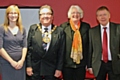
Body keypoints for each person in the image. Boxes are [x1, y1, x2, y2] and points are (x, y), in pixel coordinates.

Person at [26, 5, 65, 80]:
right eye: (43, 14)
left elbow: (61, 52)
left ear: (52, 16)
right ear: (39, 17)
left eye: (48, 14)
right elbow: (29, 50)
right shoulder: (33, 29)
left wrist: (59, 68)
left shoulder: (59, 31)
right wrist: (29, 66)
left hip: (52, 68)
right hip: (35, 68)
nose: (45, 16)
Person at [88, 6, 120, 80]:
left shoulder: (118, 28)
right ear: (97, 18)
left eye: (104, 14)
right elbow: (90, 49)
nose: (102, 17)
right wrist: (89, 66)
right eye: (100, 15)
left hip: (115, 64)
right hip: (99, 64)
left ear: (109, 16)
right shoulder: (92, 31)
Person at [60, 5, 90, 80]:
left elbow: (89, 46)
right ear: (69, 15)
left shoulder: (86, 27)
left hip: (81, 63)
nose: (75, 15)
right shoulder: (63, 27)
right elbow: (60, 46)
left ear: (81, 15)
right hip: (67, 64)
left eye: (78, 13)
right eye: (73, 13)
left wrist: (88, 64)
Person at [0, 5, 27, 80]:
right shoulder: (2, 29)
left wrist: (22, 60)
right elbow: (0, 48)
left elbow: (25, 46)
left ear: (18, 15)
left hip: (20, 64)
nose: (13, 15)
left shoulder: (22, 29)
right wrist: (11, 61)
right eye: (11, 13)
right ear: (7, 15)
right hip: (6, 63)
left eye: (15, 13)